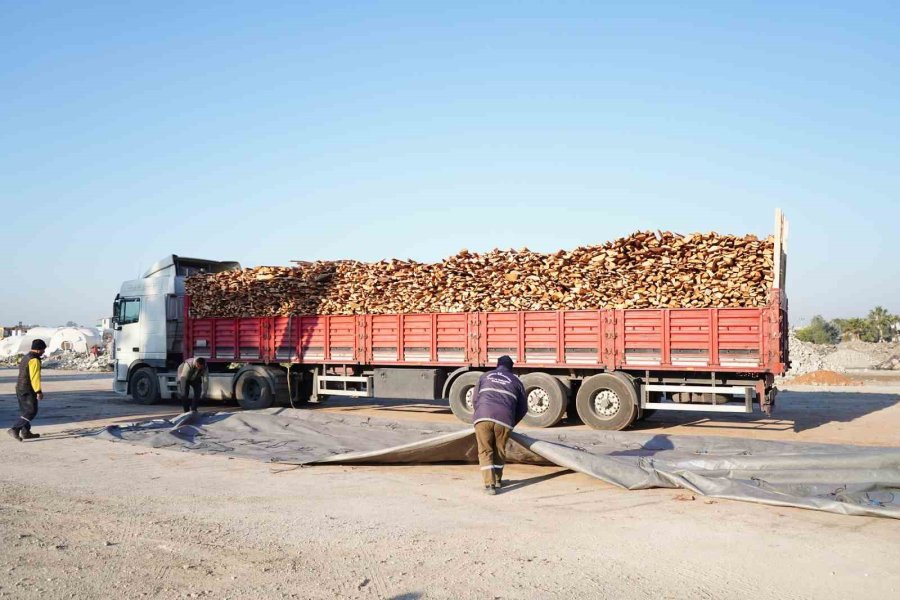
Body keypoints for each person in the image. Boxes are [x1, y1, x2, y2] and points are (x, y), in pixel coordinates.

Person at [471, 355, 528, 495]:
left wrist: (479, 413)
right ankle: (497, 480)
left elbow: (475, 399)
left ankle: (489, 486)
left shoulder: (485, 376)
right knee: (499, 450)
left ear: (498, 365)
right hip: (505, 419)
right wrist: (511, 423)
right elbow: (523, 408)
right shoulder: (516, 381)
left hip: (483, 416)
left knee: (485, 451)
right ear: (511, 367)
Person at [8, 339, 47, 441]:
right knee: (31, 411)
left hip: (20, 387)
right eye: (43, 349)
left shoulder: (26, 357)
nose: (44, 352)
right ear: (38, 350)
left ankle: (26, 432)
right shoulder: (34, 360)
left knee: (25, 411)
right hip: (28, 389)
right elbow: (34, 377)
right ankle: (15, 429)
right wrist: (38, 391)